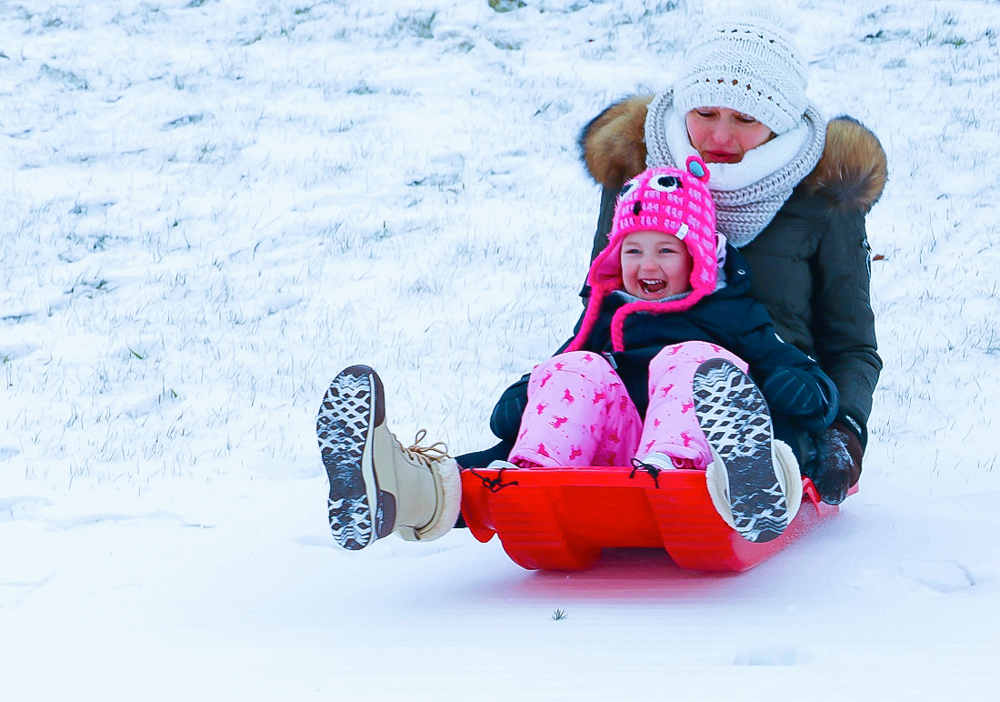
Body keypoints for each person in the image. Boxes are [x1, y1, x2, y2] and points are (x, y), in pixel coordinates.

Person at [316, 159, 839, 550]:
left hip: (695, 462)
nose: (646, 264)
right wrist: (526, 394)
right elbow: (566, 375)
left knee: (695, 362)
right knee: (576, 369)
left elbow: (784, 363)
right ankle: (415, 489)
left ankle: (750, 481)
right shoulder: (606, 313)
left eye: (665, 249)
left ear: (698, 258)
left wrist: (802, 388)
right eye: (632, 250)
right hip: (608, 458)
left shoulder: (731, 313)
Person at [575, 13, 887, 505]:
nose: (719, 137)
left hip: (769, 400)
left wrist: (843, 431)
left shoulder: (822, 192)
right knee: (560, 416)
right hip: (639, 389)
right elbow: (603, 303)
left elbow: (850, 343)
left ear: (779, 122)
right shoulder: (640, 173)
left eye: (744, 119)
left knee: (766, 436)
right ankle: (454, 489)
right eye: (705, 113)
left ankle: (751, 484)